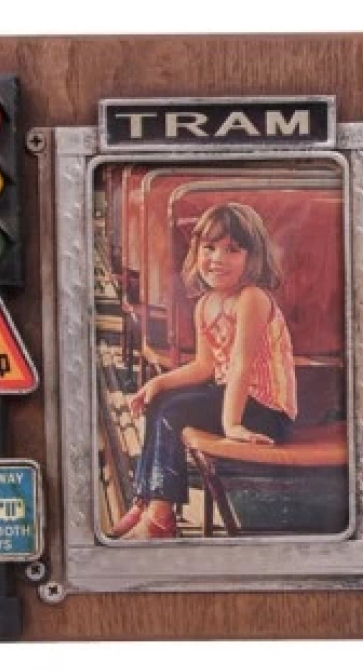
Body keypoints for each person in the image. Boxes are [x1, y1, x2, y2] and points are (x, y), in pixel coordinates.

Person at [112, 202, 298, 540]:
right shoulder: (205, 305)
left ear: (253, 257)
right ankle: (146, 500)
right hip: (234, 400)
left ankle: (161, 518)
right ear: (196, 252)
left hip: (267, 412)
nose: (217, 259)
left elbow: (241, 363)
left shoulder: (252, 298)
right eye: (209, 248)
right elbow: (204, 367)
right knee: (160, 402)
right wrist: (158, 382)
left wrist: (232, 425)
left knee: (174, 411)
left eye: (232, 250)